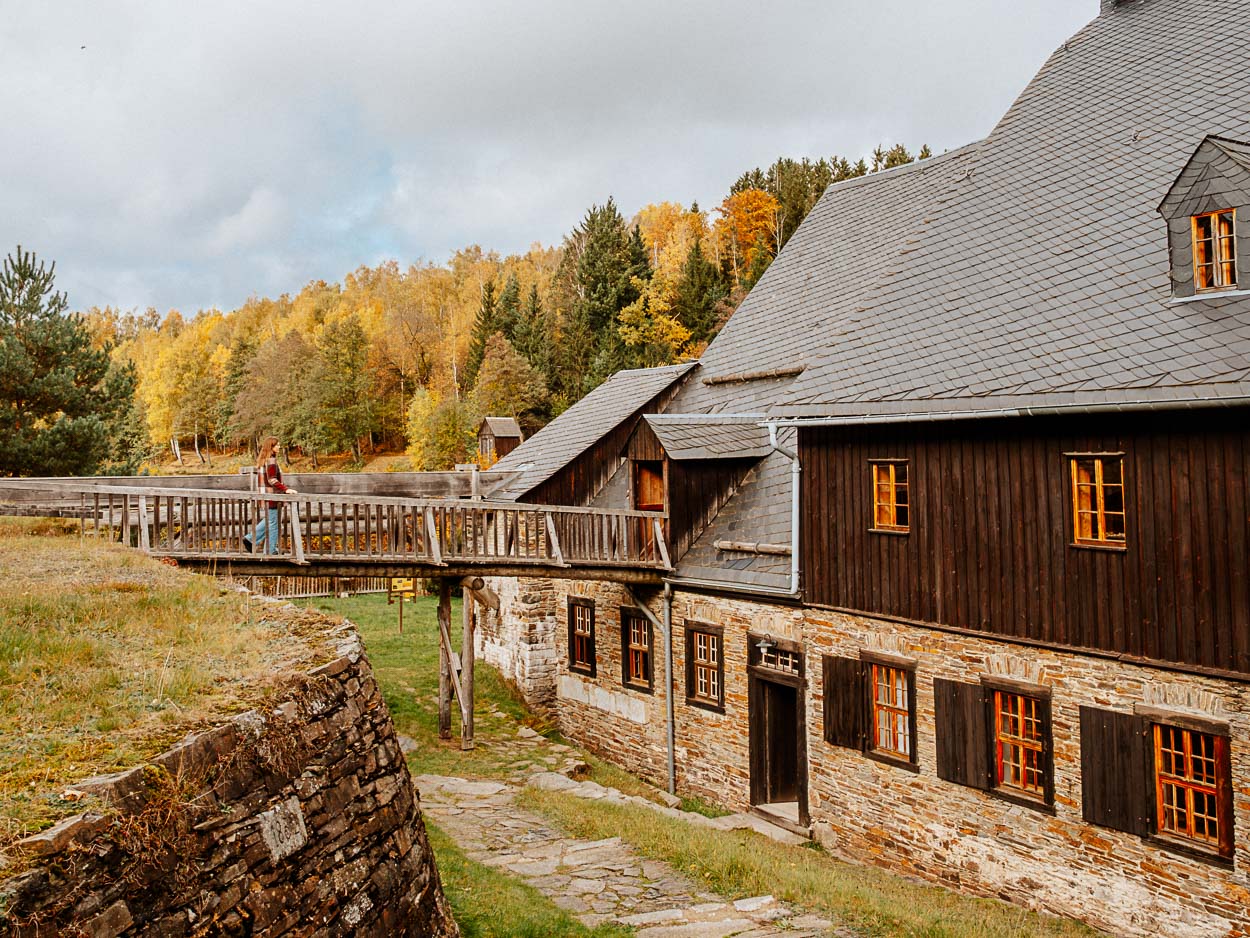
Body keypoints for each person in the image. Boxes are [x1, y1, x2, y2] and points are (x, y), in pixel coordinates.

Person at [243, 436, 298, 554]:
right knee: (273, 524)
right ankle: (270, 550)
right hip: (271, 496)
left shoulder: (264, 460)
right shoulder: (271, 460)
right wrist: (286, 489)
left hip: (266, 496)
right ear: (271, 447)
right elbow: (272, 479)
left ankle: (250, 539)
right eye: (277, 445)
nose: (279, 446)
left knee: (270, 520)